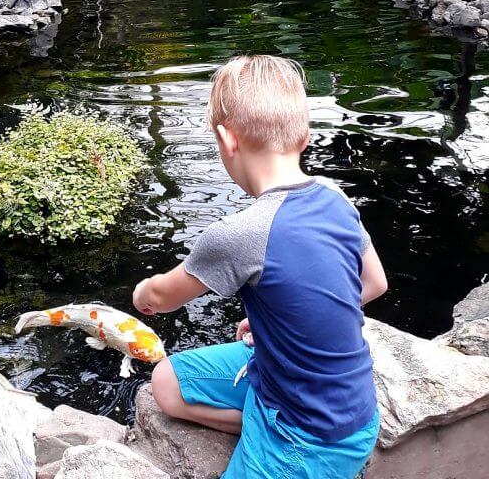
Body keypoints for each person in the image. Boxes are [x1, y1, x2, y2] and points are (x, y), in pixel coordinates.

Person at [132, 55, 388, 479]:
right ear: (302, 136)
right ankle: (255, 423)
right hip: (343, 405)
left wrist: (142, 293)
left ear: (226, 140)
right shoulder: (333, 196)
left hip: (311, 436)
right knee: (166, 383)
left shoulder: (238, 234)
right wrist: (288, 318)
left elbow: (159, 297)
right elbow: (374, 283)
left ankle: (274, 445)